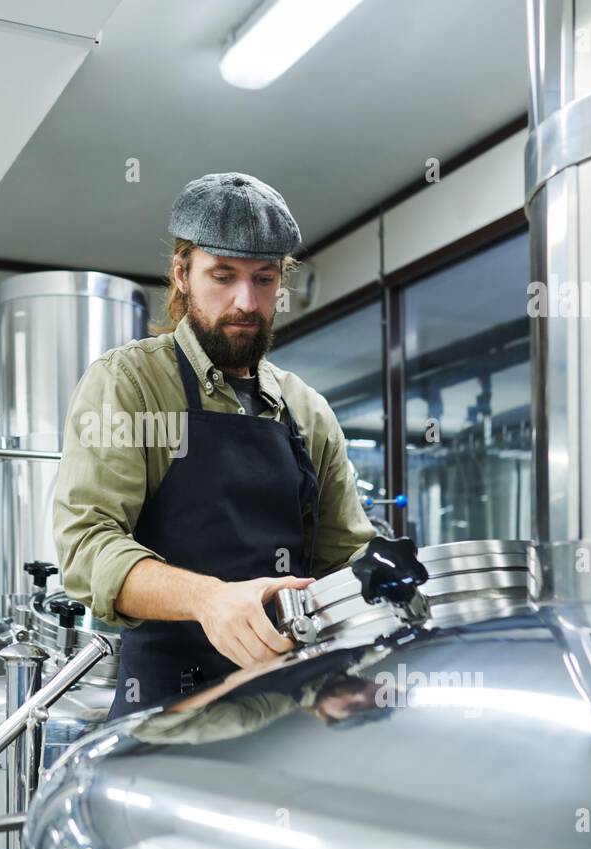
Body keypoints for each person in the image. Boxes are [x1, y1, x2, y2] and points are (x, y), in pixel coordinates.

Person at [53, 171, 375, 720]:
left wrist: (363, 642)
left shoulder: (307, 409)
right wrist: (208, 600)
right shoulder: (130, 383)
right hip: (161, 715)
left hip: (287, 707)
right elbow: (87, 546)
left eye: (264, 279)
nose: (245, 302)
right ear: (182, 273)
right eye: (222, 276)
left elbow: (345, 560)